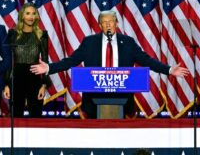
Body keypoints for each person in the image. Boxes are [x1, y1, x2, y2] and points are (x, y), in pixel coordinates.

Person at [30, 10, 189, 118]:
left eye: (111, 22)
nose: (107, 25)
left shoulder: (128, 42)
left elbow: (146, 60)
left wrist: (168, 70)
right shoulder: (90, 42)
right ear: (99, 25)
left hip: (122, 97)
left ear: (116, 23)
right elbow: (71, 61)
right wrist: (49, 67)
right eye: (104, 22)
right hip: (94, 99)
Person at [3, 3, 50, 118]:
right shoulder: (12, 34)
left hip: (35, 78)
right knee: (15, 116)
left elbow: (45, 61)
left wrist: (44, 85)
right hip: (17, 79)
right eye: (28, 13)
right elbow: (8, 61)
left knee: (36, 116)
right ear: (22, 16)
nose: (31, 17)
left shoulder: (42, 35)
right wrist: (6, 84)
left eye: (34, 13)